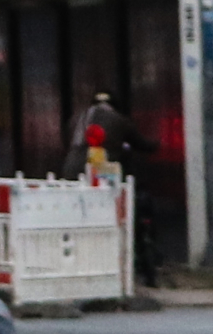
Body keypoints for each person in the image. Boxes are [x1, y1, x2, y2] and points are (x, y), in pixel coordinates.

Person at [64, 91, 158, 284]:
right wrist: (157, 143)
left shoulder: (76, 118)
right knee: (116, 216)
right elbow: (143, 144)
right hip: (101, 174)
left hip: (70, 171)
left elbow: (67, 141)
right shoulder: (120, 121)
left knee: (75, 218)